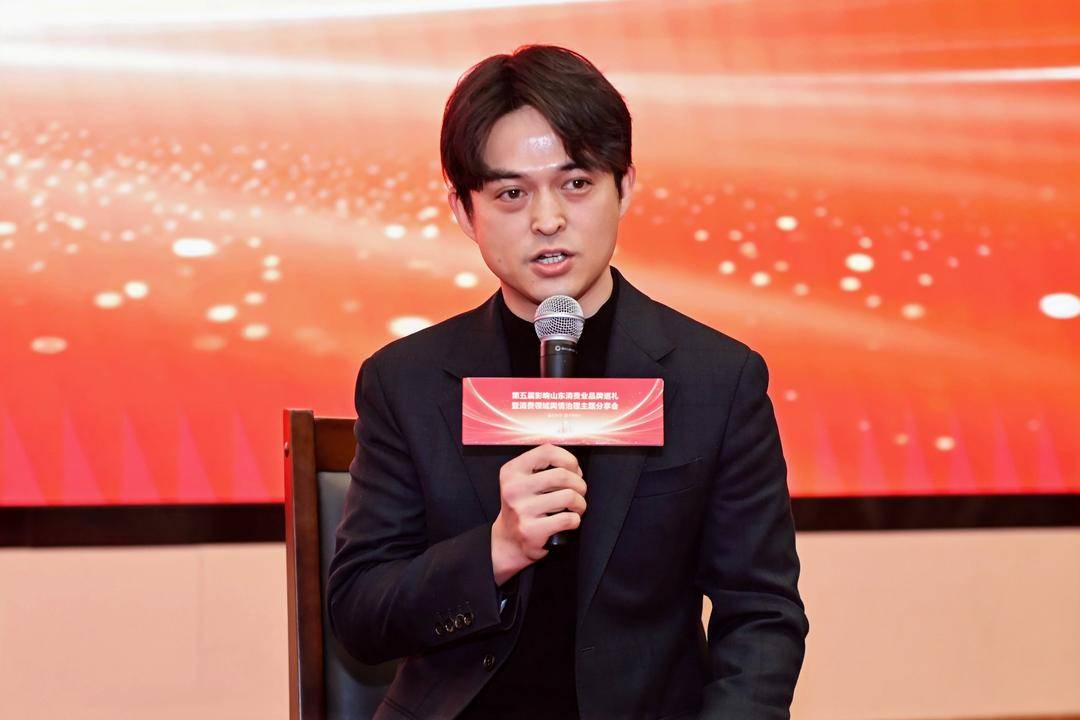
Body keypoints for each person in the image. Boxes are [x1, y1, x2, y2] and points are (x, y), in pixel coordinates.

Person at [327, 45, 808, 720]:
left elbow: (761, 615)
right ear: (464, 212)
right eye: (511, 193)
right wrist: (496, 550)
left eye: (576, 183)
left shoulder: (715, 380)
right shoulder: (406, 382)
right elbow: (360, 614)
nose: (547, 219)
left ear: (625, 187)